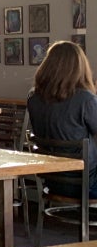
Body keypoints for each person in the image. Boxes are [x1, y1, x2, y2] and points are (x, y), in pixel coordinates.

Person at [26, 40, 97, 198]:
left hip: (52, 181)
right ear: (80, 67)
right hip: (86, 184)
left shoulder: (34, 99)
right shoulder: (85, 100)